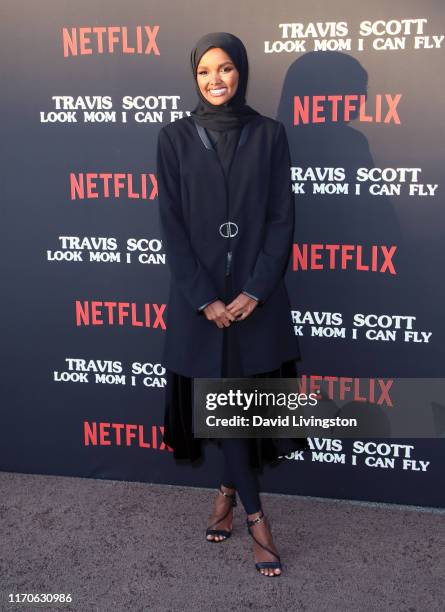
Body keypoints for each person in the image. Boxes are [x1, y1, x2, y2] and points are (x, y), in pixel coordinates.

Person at [156, 31, 309, 577]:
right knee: (225, 407)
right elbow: (170, 226)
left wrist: (253, 291)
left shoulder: (270, 134)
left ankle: (228, 495)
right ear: (194, 76)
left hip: (254, 304)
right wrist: (205, 299)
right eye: (204, 72)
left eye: (224, 69)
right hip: (201, 306)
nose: (215, 80)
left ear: (240, 71)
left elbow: (280, 218)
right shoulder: (173, 137)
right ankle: (257, 520)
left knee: (237, 409)